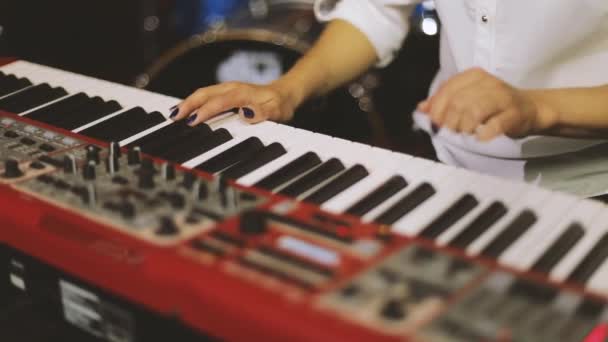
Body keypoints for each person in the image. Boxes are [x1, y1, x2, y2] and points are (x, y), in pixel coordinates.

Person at [169, 0, 608, 198]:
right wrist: (286, 89)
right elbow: (375, 9)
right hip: (453, 170)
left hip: (591, 186)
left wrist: (537, 109)